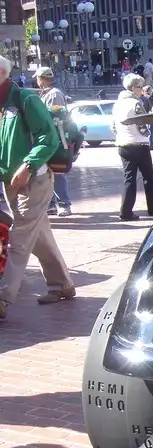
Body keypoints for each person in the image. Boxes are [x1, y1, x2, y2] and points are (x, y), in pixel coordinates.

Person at [0, 56, 75, 319]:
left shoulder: (25, 99)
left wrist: (28, 165)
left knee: (20, 238)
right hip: (10, 181)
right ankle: (62, 285)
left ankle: (3, 297)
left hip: (35, 179)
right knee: (38, 235)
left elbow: (48, 138)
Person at [111, 73, 153, 221]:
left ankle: (126, 211)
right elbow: (142, 124)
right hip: (139, 144)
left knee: (129, 178)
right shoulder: (135, 103)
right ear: (133, 88)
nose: (142, 90)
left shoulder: (117, 104)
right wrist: (147, 134)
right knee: (148, 177)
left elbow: (113, 126)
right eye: (140, 87)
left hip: (123, 143)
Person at [35, 67, 73, 218]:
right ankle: (51, 204)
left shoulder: (54, 94)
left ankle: (63, 204)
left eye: (38, 78)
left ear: (42, 79)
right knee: (46, 173)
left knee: (57, 172)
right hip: (47, 138)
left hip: (56, 139)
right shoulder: (45, 93)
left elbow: (56, 118)